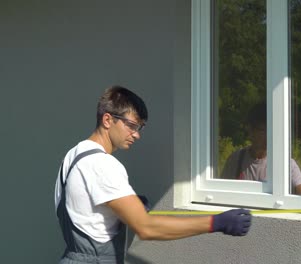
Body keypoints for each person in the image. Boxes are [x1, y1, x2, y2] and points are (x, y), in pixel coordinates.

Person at [54, 86, 252, 264]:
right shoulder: (103, 164)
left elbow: (87, 213)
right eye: (131, 125)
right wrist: (216, 222)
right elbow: (146, 228)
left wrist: (126, 205)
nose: (137, 134)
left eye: (139, 127)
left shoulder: (74, 156)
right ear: (107, 120)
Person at [220, 103, 301, 195]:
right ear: (250, 130)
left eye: (271, 130)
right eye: (263, 130)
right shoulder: (236, 160)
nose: (268, 136)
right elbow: (220, 191)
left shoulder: (285, 164)